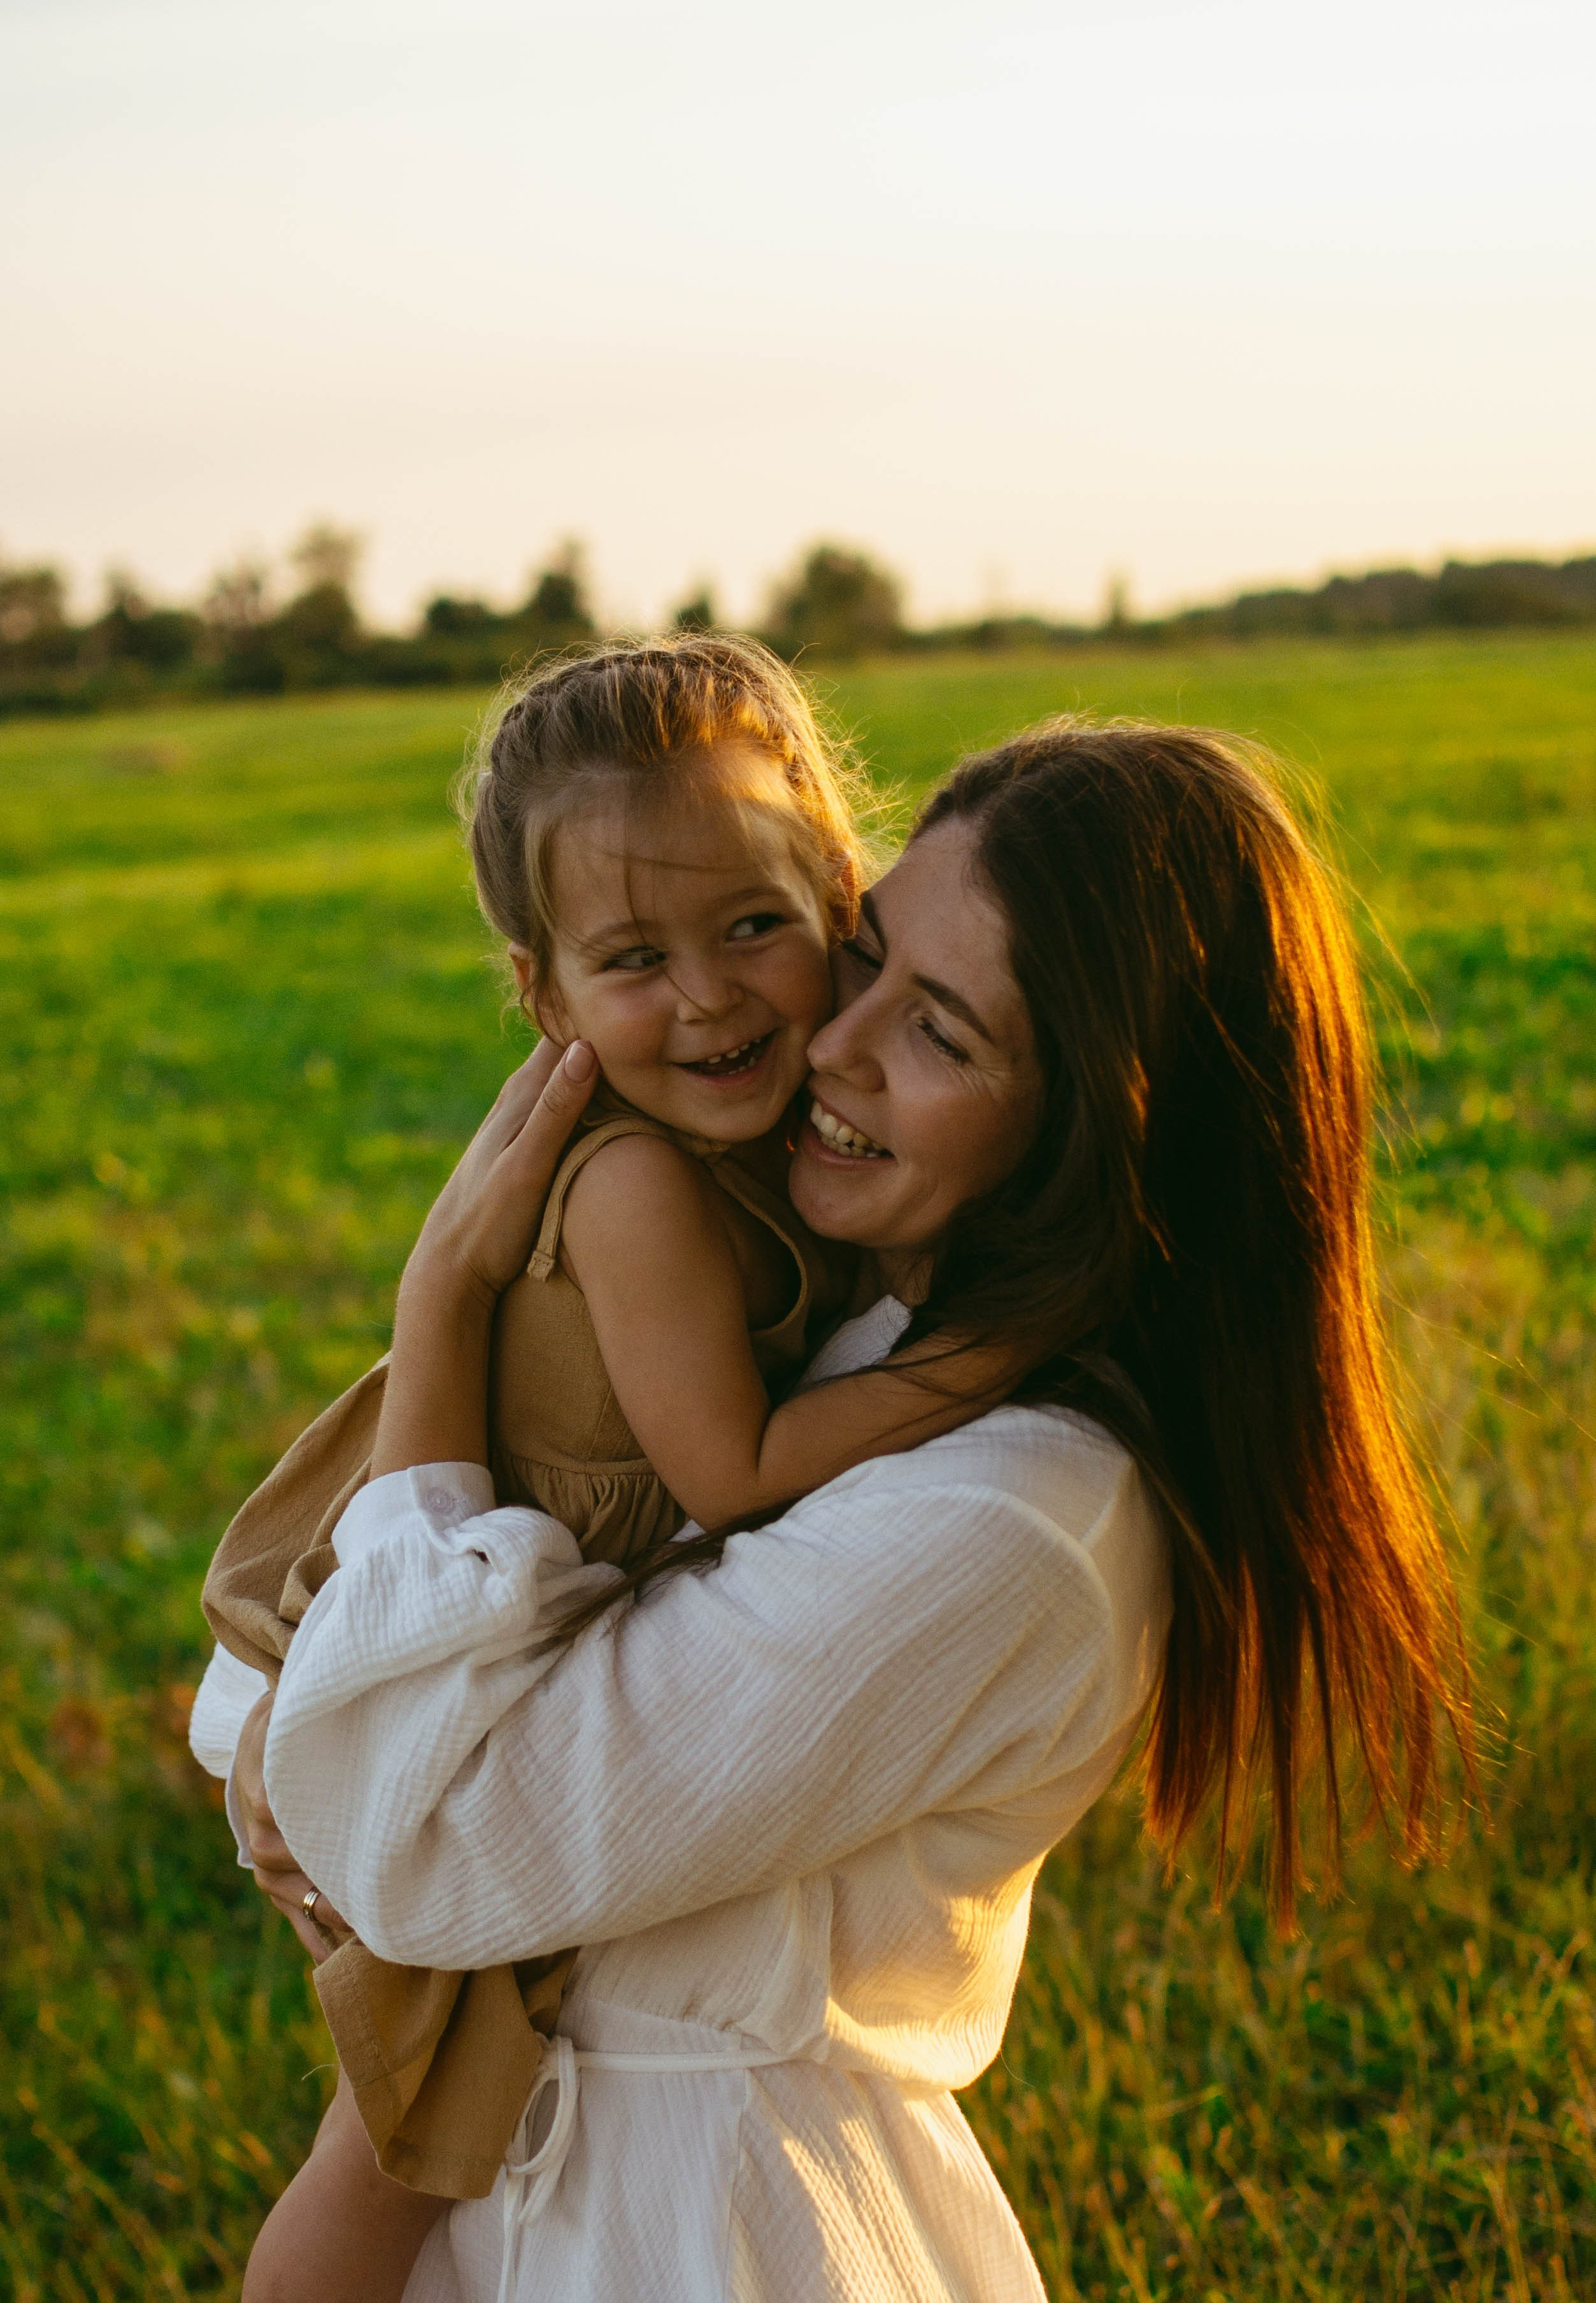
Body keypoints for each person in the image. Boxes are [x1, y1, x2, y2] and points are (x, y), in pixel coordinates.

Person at [218, 717, 1469, 2303]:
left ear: (1102, 1117)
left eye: (940, 1034)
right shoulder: (846, 1327)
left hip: (702, 2230)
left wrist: (442, 1299)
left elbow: (425, 1851)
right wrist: (287, 1708)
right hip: (554, 2189)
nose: (826, 1043)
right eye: (864, 954)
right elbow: (318, 1729)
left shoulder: (1013, 1512)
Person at [192, 635, 1023, 2299]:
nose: (709, 996)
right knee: (416, 2114)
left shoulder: (784, 1138)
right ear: (544, 994)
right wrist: (982, 1366)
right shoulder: (641, 1189)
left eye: (751, 929)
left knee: (452, 2083)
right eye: (633, 957)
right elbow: (727, 1472)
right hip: (431, 1616)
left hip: (504, 1590)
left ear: (839, 904)